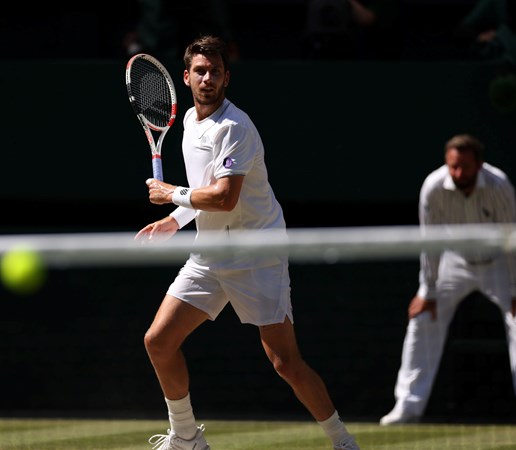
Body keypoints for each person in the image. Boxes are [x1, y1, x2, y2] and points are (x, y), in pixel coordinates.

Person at [135, 35, 360, 450]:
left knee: (285, 362)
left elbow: (224, 197)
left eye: (215, 72)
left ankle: (343, 442)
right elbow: (203, 193)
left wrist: (172, 195)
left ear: (226, 78)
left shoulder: (236, 127)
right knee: (159, 341)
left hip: (257, 255)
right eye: (200, 71)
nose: (207, 78)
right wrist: (174, 219)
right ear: (186, 77)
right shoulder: (186, 122)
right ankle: (186, 437)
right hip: (211, 253)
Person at [379, 134, 516, 428]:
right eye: (453, 167)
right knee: (422, 320)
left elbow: (510, 237)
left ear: (480, 165)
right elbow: (429, 242)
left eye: (464, 167)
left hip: (500, 261)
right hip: (453, 261)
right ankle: (407, 407)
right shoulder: (433, 188)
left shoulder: (499, 185)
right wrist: (428, 290)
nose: (458, 173)